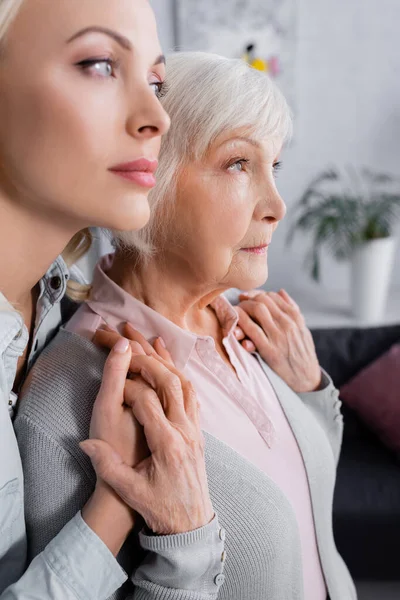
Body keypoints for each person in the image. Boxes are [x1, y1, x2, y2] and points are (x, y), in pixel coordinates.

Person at [15, 52, 357, 599]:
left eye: (275, 167)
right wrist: (183, 542)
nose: (277, 205)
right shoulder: (70, 398)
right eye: (239, 164)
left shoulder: (247, 329)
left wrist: (310, 392)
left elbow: (307, 509)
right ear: (149, 178)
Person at [0, 2, 221, 597]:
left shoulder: (48, 303)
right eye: (99, 64)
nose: (157, 117)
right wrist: (119, 507)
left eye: (156, 81)